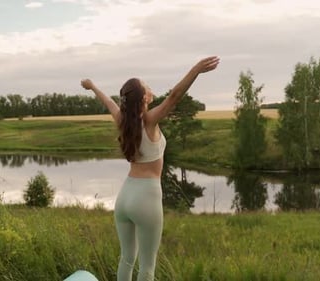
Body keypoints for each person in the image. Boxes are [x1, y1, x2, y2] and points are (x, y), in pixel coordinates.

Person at [80, 56, 220, 281]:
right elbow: (174, 96)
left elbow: (109, 103)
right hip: (147, 196)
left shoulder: (123, 121)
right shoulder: (150, 121)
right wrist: (196, 70)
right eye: (146, 85)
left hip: (125, 196)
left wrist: (92, 86)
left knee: (126, 258)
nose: (150, 87)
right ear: (144, 97)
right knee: (147, 266)